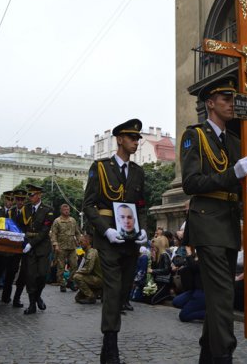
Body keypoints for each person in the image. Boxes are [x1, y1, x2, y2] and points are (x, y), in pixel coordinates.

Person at [180, 76, 247, 363]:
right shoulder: (195, 135)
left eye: (233, 99)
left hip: (228, 223)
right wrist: (233, 174)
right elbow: (191, 183)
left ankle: (208, 355)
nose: (231, 104)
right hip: (207, 222)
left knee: (219, 295)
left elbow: (239, 180)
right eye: (225, 99)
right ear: (210, 103)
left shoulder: (235, 141)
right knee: (223, 295)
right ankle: (223, 354)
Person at [83, 118, 148, 364]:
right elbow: (88, 205)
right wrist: (104, 230)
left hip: (131, 239)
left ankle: (111, 330)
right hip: (109, 238)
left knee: (123, 290)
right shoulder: (100, 167)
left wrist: (143, 231)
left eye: (137, 139)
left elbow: (141, 205)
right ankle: (110, 342)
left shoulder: (139, 172)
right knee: (112, 289)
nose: (135, 142)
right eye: (132, 138)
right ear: (120, 139)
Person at [22, 184, 54, 315]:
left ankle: (37, 296)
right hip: (28, 247)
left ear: (39, 195)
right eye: (29, 195)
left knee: (41, 275)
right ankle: (31, 305)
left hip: (42, 247)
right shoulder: (26, 209)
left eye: (32, 195)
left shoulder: (48, 210)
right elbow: (21, 226)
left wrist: (32, 243)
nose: (30, 197)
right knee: (30, 277)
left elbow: (44, 231)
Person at [51, 204, 82, 292]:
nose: (67, 211)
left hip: (72, 247)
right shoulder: (57, 221)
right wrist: (55, 244)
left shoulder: (73, 220)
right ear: (61, 210)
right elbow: (54, 234)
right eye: (64, 209)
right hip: (61, 247)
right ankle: (62, 284)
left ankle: (70, 281)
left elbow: (77, 232)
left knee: (74, 265)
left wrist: (80, 240)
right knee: (61, 267)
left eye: (68, 209)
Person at [172, 246, 205, 322]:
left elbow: (195, 267)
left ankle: (210, 314)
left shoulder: (207, 258)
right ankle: (196, 306)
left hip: (202, 292)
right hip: (194, 290)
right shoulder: (196, 256)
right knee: (176, 302)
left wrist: (189, 253)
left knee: (183, 316)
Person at [10, 189, 28, 307]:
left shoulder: (29, 211)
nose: (20, 201)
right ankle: (6, 296)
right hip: (13, 246)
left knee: (23, 273)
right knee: (11, 271)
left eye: (22, 199)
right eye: (18, 199)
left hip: (26, 246)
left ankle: (17, 298)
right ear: (15, 200)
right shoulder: (11, 212)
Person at [72, 234, 102, 304]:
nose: (80, 244)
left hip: (99, 279)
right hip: (93, 278)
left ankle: (91, 297)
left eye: (81, 242)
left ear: (87, 242)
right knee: (78, 298)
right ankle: (96, 291)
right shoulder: (87, 252)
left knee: (77, 277)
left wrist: (77, 272)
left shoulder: (91, 253)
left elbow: (88, 269)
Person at [146, 236, 172, 305]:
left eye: (153, 247)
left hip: (164, 282)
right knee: (146, 297)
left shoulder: (164, 255)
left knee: (152, 300)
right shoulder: (157, 256)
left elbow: (166, 270)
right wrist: (153, 260)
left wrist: (152, 271)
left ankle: (166, 295)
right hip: (157, 281)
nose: (152, 249)